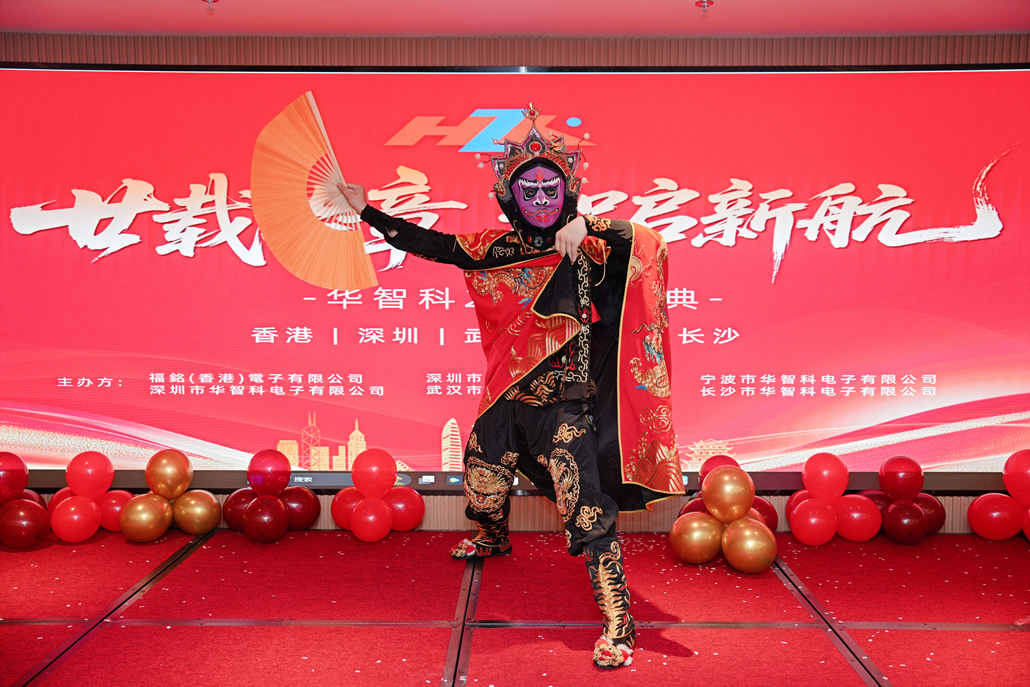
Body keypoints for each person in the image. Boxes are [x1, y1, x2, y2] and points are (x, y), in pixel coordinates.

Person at [339, 104, 683, 669]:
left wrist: (591, 225)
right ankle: (493, 537)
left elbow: (650, 244)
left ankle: (619, 624)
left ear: (568, 192)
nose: (541, 198)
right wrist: (366, 210)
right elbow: (430, 243)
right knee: (481, 473)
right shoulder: (493, 250)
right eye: (530, 189)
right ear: (509, 196)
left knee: (586, 513)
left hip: (566, 406)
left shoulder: (593, 247)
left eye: (552, 188)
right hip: (506, 396)